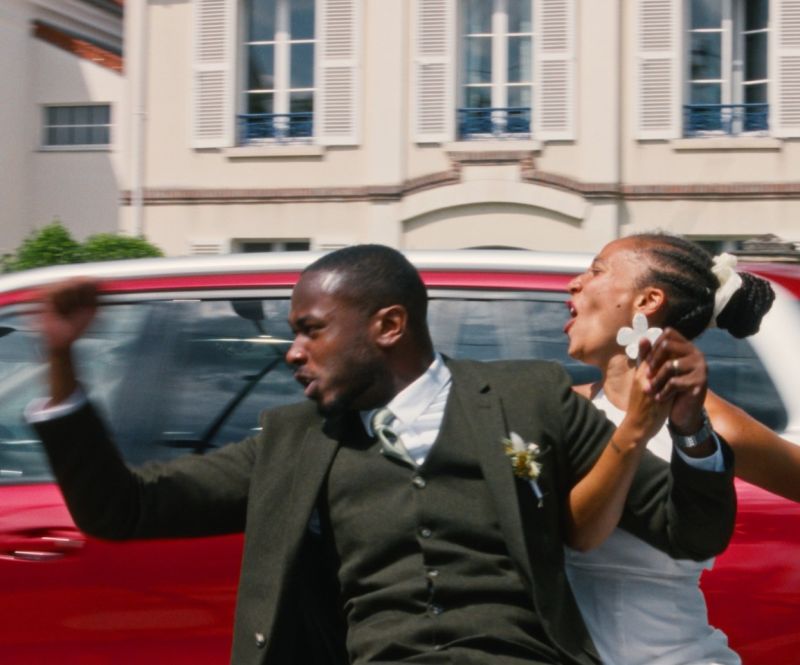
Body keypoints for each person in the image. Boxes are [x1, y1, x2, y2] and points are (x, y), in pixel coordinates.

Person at [29, 244, 735, 665]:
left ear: (389, 325)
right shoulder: (294, 442)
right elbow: (122, 508)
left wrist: (690, 428)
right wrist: (61, 363)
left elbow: (690, 529)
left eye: (311, 330)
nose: (292, 352)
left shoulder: (529, 398)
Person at [562, 232, 800, 665]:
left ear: (647, 301)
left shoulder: (710, 421)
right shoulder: (560, 407)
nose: (574, 283)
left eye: (596, 271)